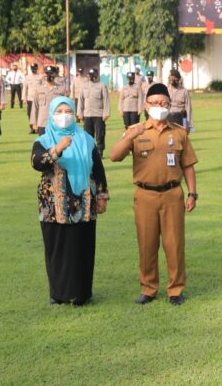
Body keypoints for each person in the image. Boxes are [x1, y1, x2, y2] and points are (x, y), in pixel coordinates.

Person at [110, 83, 198, 306]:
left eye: (164, 103)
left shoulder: (179, 132)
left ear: (169, 105)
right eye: (154, 103)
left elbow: (188, 165)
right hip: (145, 195)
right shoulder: (136, 130)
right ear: (145, 105)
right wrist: (131, 136)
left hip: (172, 194)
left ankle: (176, 289)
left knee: (174, 244)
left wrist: (192, 193)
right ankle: (148, 288)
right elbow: (114, 156)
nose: (159, 107)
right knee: (147, 244)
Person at [31, 97, 108, 305]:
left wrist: (101, 196)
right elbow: (37, 163)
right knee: (58, 250)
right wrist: (58, 149)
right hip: (54, 208)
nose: (64, 116)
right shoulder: (44, 141)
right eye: (59, 111)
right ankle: (59, 294)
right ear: (52, 115)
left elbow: (98, 170)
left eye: (68, 111)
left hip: (84, 204)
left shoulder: (86, 139)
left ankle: (81, 294)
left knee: (82, 247)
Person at [77, 68, 110, 154]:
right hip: (87, 114)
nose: (92, 77)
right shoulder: (84, 86)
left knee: (100, 134)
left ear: (97, 76)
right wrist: (79, 112)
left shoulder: (101, 85)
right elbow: (80, 100)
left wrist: (106, 113)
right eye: (91, 75)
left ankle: (100, 150)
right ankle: (90, 151)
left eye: (94, 75)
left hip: (99, 114)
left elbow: (106, 100)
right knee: (87, 134)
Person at [30, 66, 68, 135]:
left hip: (57, 123)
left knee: (57, 144)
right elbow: (35, 106)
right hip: (42, 122)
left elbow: (66, 107)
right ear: (44, 75)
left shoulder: (61, 89)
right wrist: (34, 122)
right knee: (43, 144)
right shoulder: (39, 89)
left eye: (51, 73)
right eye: (47, 74)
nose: (49, 76)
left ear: (55, 75)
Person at [23, 63, 42, 133]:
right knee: (29, 113)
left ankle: (38, 126)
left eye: (35, 69)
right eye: (32, 69)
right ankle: (32, 128)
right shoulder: (27, 77)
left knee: (38, 112)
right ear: (31, 69)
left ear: (37, 69)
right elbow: (25, 87)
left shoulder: (40, 77)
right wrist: (24, 97)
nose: (34, 70)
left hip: (39, 98)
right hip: (30, 98)